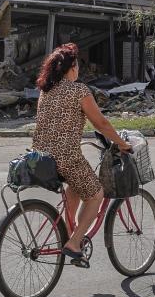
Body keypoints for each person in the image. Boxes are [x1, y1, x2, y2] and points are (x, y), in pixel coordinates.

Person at [32, 43, 131, 268]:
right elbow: (101, 123)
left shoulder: (46, 90)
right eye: (77, 66)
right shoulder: (79, 90)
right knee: (96, 194)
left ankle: (69, 232)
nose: (78, 71)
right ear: (71, 68)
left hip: (41, 157)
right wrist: (122, 144)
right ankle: (74, 243)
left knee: (75, 187)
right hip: (66, 157)